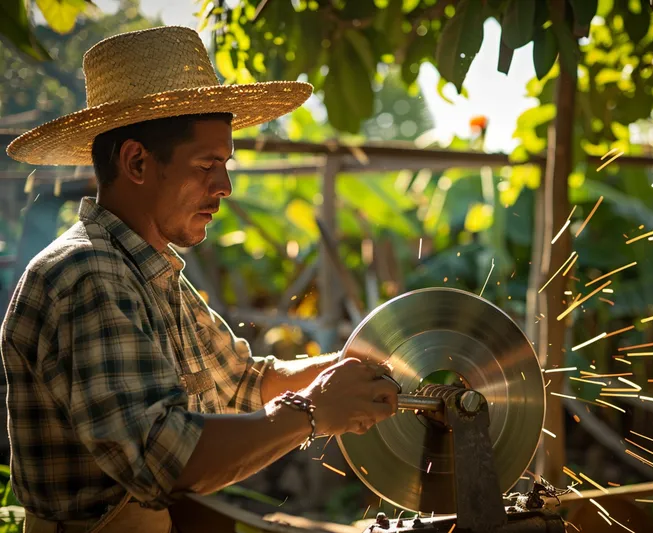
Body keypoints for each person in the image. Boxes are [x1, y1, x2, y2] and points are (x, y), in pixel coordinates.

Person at [1, 26, 398, 532]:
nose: (225, 186)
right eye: (208, 164)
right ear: (137, 162)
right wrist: (315, 411)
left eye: (225, 164)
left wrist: (359, 365)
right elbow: (164, 460)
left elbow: (244, 384)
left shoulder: (149, 272)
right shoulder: (87, 275)